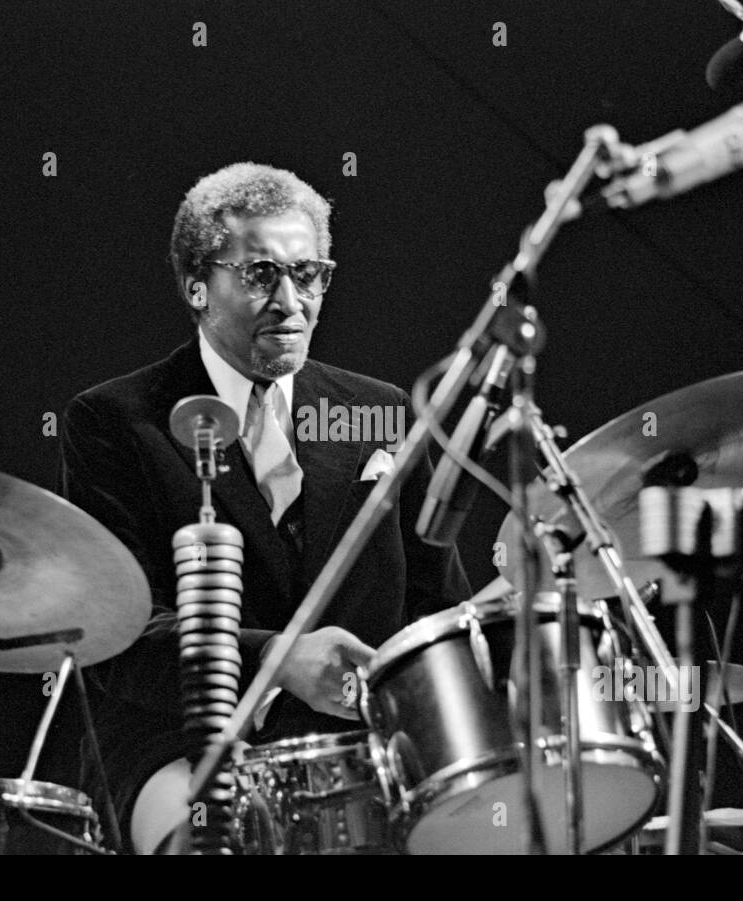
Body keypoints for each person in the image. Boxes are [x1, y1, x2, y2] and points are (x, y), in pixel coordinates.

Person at [59, 162, 470, 851]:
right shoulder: (114, 420)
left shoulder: (379, 411)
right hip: (178, 741)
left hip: (361, 746)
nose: (291, 300)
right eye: (260, 275)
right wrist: (277, 659)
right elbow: (117, 637)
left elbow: (436, 605)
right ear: (197, 284)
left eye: (309, 274)